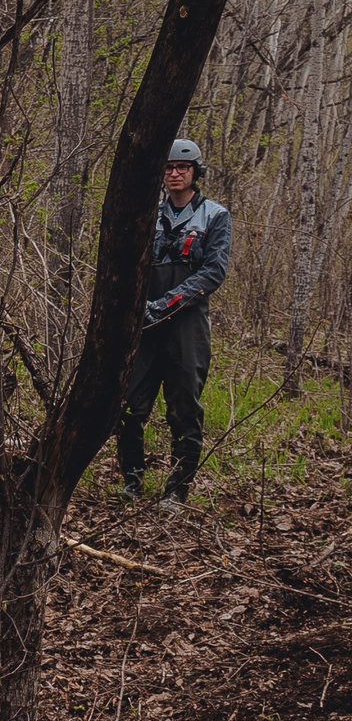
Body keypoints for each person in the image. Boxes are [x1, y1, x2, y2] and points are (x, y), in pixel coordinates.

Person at [116, 138, 230, 510]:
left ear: (197, 172)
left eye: (183, 167)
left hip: (188, 325)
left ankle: (176, 490)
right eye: (168, 167)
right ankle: (132, 480)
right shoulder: (148, 215)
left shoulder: (215, 215)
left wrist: (167, 303)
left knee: (184, 408)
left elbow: (214, 272)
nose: (175, 173)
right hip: (146, 325)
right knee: (128, 404)